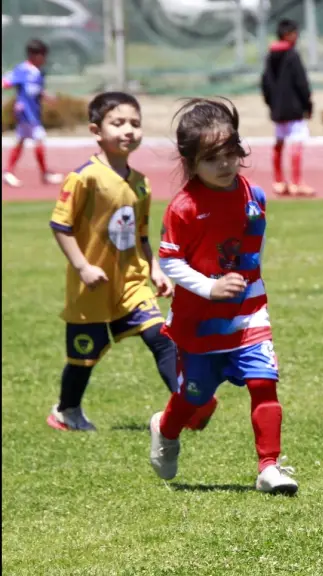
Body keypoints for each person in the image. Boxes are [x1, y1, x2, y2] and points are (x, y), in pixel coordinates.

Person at [148, 98, 297, 495]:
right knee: (193, 398)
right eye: (212, 157)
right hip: (198, 322)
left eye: (230, 152)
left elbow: (254, 250)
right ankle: (165, 428)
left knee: (264, 383)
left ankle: (269, 467)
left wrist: (252, 290)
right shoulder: (183, 208)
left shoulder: (254, 196)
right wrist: (209, 286)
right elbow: (170, 263)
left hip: (248, 313)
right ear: (190, 160)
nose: (225, 163)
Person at [47, 91, 216, 432]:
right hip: (91, 288)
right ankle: (66, 411)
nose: (128, 130)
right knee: (83, 359)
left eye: (135, 124)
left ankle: (187, 408)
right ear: (96, 130)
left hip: (132, 283)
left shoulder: (141, 184)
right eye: (118, 123)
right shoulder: (84, 178)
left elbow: (140, 237)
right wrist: (82, 266)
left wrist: (155, 270)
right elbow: (60, 225)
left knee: (161, 337)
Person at [261, 18, 314, 197]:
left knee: (279, 143)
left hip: (277, 109)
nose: (296, 36)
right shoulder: (292, 55)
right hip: (294, 108)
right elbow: (301, 83)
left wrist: (271, 103)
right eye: (294, 33)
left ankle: (278, 181)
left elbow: (265, 83)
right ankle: (297, 182)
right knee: (296, 143)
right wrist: (308, 104)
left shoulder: (269, 56)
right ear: (287, 35)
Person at [3, 38, 63, 188]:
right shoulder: (22, 70)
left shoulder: (39, 73)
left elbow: (37, 91)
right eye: (43, 55)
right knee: (39, 139)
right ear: (34, 55)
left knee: (21, 140)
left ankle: (8, 172)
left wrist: (47, 97)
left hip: (34, 112)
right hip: (25, 113)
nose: (44, 59)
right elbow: (7, 82)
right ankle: (44, 174)